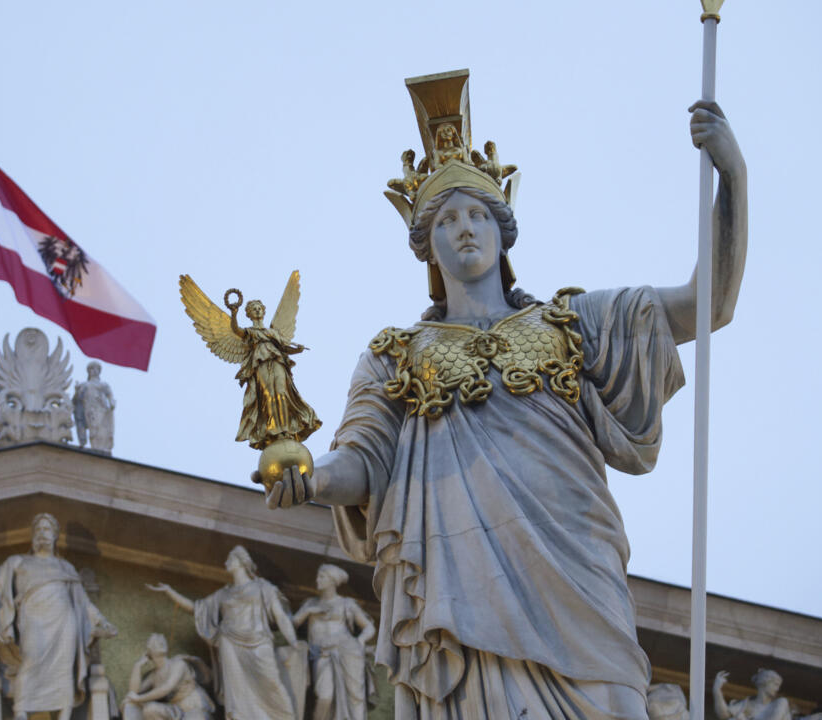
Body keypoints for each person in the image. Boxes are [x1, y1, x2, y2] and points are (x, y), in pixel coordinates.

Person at [263, 71, 747, 720]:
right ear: (427, 248)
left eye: (477, 215)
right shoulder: (395, 356)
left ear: (502, 231)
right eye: (447, 220)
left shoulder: (574, 323)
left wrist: (733, 178)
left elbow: (708, 305)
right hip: (461, 586)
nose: (464, 229)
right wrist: (312, 478)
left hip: (575, 568)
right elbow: (364, 460)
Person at [0, 513, 117, 720]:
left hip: (64, 620)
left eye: (46, 529)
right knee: (31, 660)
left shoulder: (65, 567)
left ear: (55, 536)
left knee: (64, 667)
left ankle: (64, 714)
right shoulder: (18, 562)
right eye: (38, 530)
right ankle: (21, 711)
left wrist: (101, 620)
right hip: (33, 617)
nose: (42, 533)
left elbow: (82, 602)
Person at [147, 545, 306, 720]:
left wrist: (293, 643)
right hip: (230, 643)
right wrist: (170, 592)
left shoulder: (263, 588)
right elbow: (197, 609)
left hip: (259, 642)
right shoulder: (223, 594)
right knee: (237, 694)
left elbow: (281, 617)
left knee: (272, 683)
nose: (226, 562)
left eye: (230, 559)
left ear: (241, 561)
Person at [231, 298, 322, 449]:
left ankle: (287, 429)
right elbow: (236, 330)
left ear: (263, 311)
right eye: (254, 308)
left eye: (259, 308)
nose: (257, 310)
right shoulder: (250, 332)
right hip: (260, 363)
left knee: (282, 392)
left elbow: (284, 348)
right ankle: (273, 430)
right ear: (249, 314)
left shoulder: (272, 332)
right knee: (268, 395)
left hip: (277, 361)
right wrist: (234, 314)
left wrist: (297, 350)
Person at [293, 564, 377, 720]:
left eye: (322, 577)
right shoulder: (311, 603)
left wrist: (360, 641)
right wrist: (307, 612)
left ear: (332, 581)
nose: (317, 580)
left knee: (354, 697)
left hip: (347, 652)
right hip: (322, 654)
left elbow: (369, 628)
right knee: (325, 696)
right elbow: (292, 624)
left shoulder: (346, 604)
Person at [121, 633, 214, 720]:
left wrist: (139, 699)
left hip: (193, 706)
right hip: (176, 709)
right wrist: (137, 666)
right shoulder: (153, 676)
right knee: (148, 709)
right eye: (155, 643)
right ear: (149, 652)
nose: (160, 644)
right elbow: (133, 693)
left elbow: (166, 687)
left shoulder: (178, 664)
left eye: (160, 642)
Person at [712, 669, 792, 720]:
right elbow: (724, 714)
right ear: (764, 682)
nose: (777, 689)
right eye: (775, 684)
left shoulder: (779, 704)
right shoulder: (747, 704)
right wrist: (717, 690)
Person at [73, 361, 116, 452]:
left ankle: (100, 448)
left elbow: (110, 395)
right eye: (92, 369)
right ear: (89, 371)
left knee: (101, 428)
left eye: (97, 369)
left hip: (101, 408)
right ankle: (95, 446)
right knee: (93, 428)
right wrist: (77, 391)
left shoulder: (103, 384)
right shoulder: (84, 385)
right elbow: (77, 399)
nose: (94, 371)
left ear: (99, 371)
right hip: (89, 409)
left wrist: (111, 402)